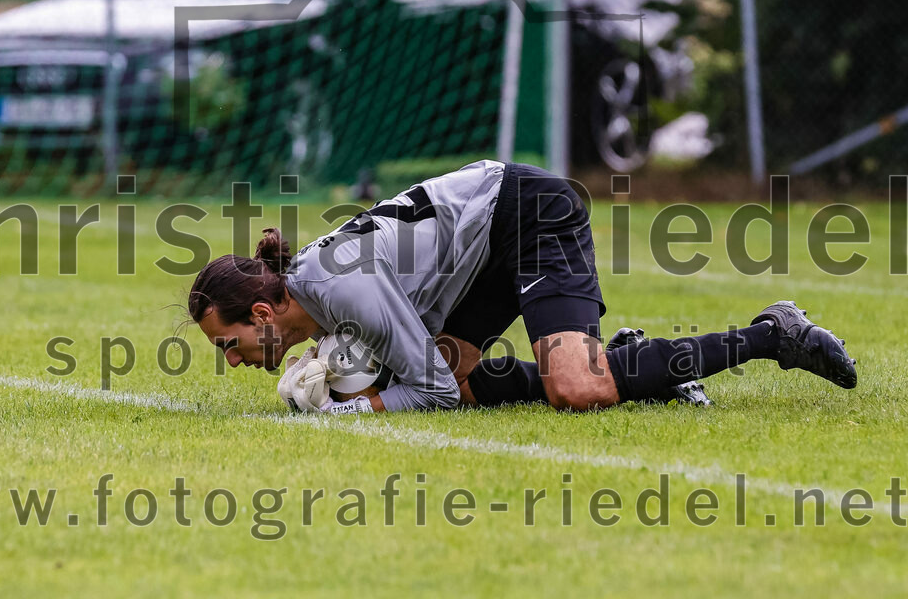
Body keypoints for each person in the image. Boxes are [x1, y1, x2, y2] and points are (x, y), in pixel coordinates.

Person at [187, 160, 857, 413]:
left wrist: (348, 410)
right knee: (471, 378)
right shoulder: (316, 289)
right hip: (482, 248)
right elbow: (426, 370)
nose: (233, 358)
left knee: (575, 388)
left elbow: (429, 391)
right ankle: (641, 368)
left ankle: (773, 334)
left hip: (526, 214)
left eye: (230, 341)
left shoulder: (334, 287)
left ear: (264, 311)